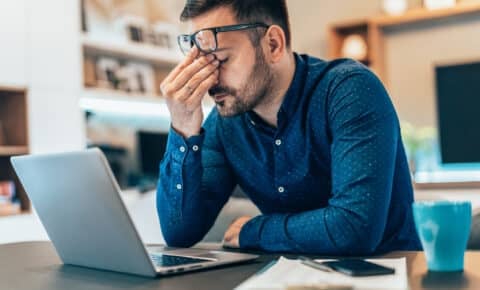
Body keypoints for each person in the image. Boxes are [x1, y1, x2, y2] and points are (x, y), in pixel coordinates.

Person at [157, 0, 421, 255]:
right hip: (291, 278)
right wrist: (182, 128)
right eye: (202, 63)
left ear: (273, 44)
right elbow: (179, 233)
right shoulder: (225, 122)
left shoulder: (349, 91)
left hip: (387, 274)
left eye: (222, 60)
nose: (211, 80)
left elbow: (354, 227)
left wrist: (256, 231)